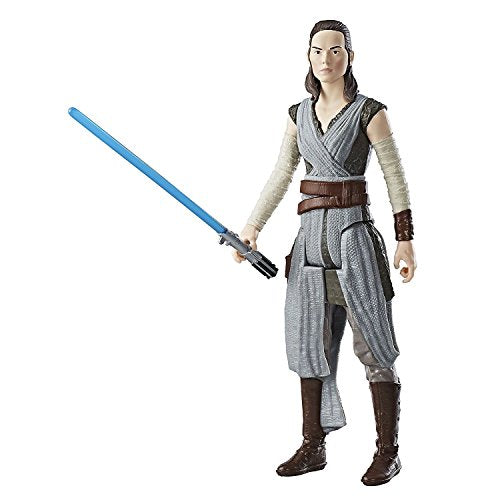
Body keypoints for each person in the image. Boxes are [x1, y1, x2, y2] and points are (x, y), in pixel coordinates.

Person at [232, 19, 416, 486]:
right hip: (310, 241)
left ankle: (388, 451)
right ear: (308, 57)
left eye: (336, 50)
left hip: (355, 240)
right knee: (308, 342)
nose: (327, 59)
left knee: (374, 343)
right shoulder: (298, 114)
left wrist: (405, 237)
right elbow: (282, 173)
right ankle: (313, 445)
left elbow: (394, 175)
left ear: (350, 56)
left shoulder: (370, 112)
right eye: (318, 50)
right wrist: (253, 226)